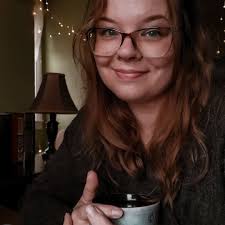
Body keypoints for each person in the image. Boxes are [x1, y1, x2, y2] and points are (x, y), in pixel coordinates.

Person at [22, 0, 225, 224]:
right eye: (108, 31)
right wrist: (71, 220)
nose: (126, 51)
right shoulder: (91, 120)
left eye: (152, 32)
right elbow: (38, 201)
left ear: (185, 40)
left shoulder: (219, 113)